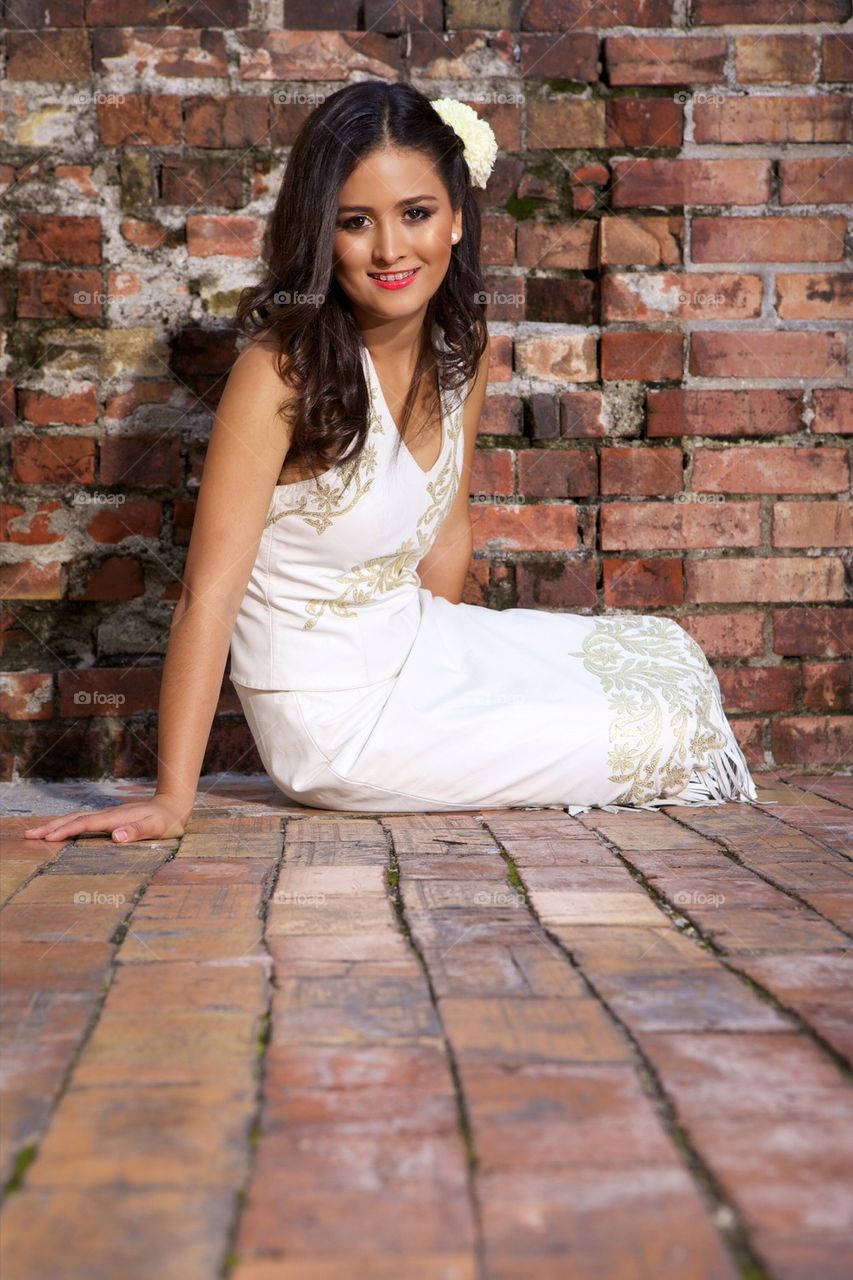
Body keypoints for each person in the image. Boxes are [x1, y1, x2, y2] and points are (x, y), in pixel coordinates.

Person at [25, 81, 758, 845]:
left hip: (416, 648)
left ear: (455, 219)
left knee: (659, 659)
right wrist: (172, 799)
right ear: (319, 232)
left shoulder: (459, 354)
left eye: (415, 213)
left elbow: (446, 530)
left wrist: (457, 665)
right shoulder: (280, 374)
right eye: (354, 222)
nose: (389, 250)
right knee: (650, 732)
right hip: (336, 724)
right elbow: (208, 594)